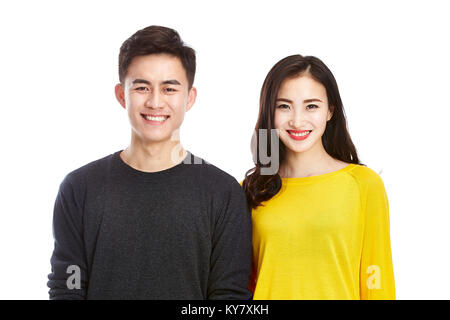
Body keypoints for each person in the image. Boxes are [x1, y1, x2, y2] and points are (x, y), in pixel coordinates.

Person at [47, 25, 252, 300]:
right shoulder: (79, 188)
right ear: (122, 95)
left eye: (169, 88)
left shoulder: (223, 193)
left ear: (189, 98)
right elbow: (67, 286)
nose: (155, 102)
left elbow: (229, 296)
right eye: (142, 87)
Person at [242, 54, 395, 299]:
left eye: (311, 106)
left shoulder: (364, 185)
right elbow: (240, 286)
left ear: (330, 111)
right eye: (284, 106)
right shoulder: (249, 191)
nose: (297, 120)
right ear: (269, 112)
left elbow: (377, 279)